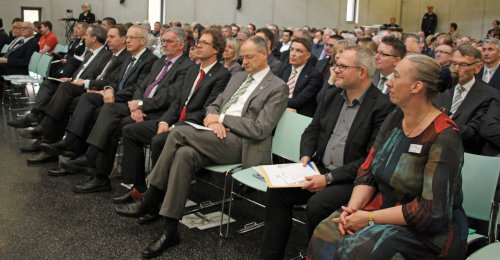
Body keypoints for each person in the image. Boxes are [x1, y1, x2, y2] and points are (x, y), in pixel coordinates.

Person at [114, 36, 288, 258]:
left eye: (249, 57)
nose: (244, 62)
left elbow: (259, 128)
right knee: (185, 154)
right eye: (242, 57)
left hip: (244, 144)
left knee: (178, 132)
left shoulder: (278, 87)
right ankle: (170, 230)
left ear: (265, 54)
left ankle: (150, 197)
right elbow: (214, 104)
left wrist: (222, 119)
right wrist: (212, 119)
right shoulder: (238, 77)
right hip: (215, 135)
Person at [308, 54, 467, 260]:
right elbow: (367, 171)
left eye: (397, 77)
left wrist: (369, 219)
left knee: (360, 251)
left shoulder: (444, 135)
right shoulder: (396, 117)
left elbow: (430, 213)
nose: (389, 82)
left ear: (416, 86)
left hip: (425, 231)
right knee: (325, 231)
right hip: (384, 208)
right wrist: (353, 209)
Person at [260, 46, 394, 260]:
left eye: (342, 66)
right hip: (319, 168)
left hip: (353, 179)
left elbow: (371, 158)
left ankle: (317, 255)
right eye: (335, 65)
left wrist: (329, 178)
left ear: (362, 72)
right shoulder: (333, 96)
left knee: (318, 204)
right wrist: (305, 156)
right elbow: (312, 130)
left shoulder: (382, 106)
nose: (336, 70)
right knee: (277, 191)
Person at [112, 29, 231, 211]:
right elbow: (177, 102)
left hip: (191, 127)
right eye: (198, 42)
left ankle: (157, 201)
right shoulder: (193, 70)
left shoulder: (221, 75)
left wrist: (176, 126)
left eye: (204, 43)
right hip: (174, 122)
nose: (198, 45)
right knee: (130, 131)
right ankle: (140, 188)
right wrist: (165, 122)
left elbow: (206, 111)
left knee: (159, 141)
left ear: (216, 49)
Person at [438, 44, 497, 154]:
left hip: (462, 152)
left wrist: (437, 127)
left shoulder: (489, 94)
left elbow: (472, 132)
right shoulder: (441, 86)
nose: (456, 69)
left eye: (463, 65)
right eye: (454, 64)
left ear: (478, 67)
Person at [277, 37, 323, 117]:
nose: (293, 54)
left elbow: (299, 101)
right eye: (292, 49)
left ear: (308, 55)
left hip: (298, 116)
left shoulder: (314, 75)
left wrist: (274, 101)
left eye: (298, 51)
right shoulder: (284, 69)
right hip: (279, 111)